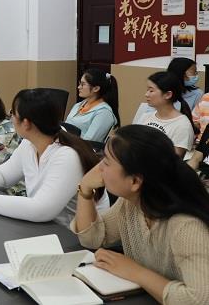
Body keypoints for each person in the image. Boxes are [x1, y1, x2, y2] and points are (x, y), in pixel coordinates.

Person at [72, 125, 209, 304]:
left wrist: (136, 272)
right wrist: (85, 188)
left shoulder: (186, 226)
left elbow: (199, 299)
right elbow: (92, 238)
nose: (99, 167)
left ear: (135, 181)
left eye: (106, 161)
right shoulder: (131, 203)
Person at [0, 88, 109, 226]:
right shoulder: (30, 143)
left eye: (13, 114)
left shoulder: (67, 156)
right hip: (49, 227)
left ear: (26, 123)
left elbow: (41, 210)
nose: (10, 118)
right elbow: (5, 173)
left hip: (75, 235)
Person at [135, 71, 195, 159]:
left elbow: (173, 160)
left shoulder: (182, 125)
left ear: (168, 94)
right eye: (147, 90)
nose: (146, 94)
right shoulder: (146, 116)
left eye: (151, 90)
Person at [133, 57, 201, 122]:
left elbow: (196, 120)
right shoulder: (148, 111)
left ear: (168, 95)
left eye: (151, 91)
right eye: (193, 72)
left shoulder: (197, 94)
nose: (147, 95)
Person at [65, 68, 120, 143]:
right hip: (66, 144)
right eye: (79, 83)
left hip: (80, 148)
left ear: (96, 88)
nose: (79, 87)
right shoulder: (78, 105)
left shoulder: (104, 113)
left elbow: (89, 142)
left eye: (83, 84)